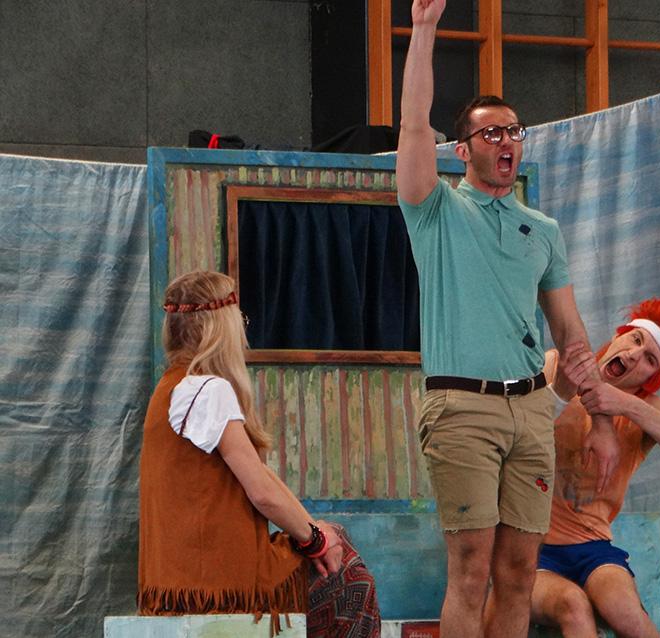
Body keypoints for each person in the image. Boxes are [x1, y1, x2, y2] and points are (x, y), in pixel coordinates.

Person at [395, 2, 619, 636]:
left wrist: (601, 419)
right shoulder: (436, 209)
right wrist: (424, 29)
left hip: (531, 409)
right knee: (471, 569)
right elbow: (413, 124)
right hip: (462, 406)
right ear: (462, 150)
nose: (506, 142)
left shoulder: (542, 229)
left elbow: (571, 336)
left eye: (514, 131)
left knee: (520, 571)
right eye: (491, 133)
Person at [138, 270, 380, 637]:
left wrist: (316, 532)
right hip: (216, 585)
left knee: (335, 537)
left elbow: (264, 478)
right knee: (349, 577)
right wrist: (316, 541)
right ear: (222, 328)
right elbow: (262, 494)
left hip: (173, 583)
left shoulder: (171, 388)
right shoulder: (208, 389)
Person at [530, 298, 660, 638]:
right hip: (531, 547)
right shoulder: (556, 366)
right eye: (635, 339)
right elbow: (520, 420)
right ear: (620, 335)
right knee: (573, 605)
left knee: (626, 613)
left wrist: (626, 404)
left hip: (592, 549)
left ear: (652, 378)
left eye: (650, 359)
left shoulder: (644, 408)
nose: (633, 355)